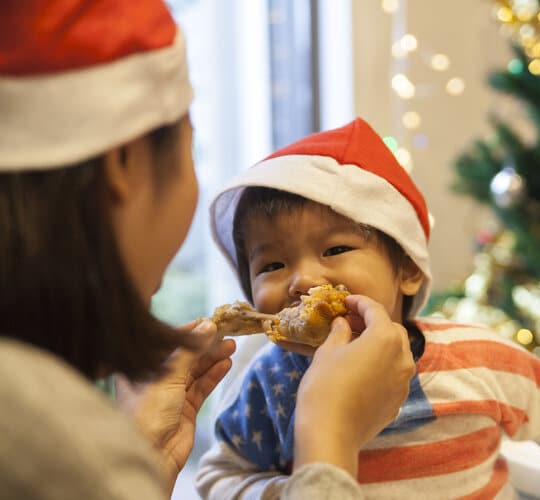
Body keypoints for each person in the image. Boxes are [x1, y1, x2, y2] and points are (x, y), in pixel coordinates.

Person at [0, 2, 415, 499]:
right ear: (123, 161)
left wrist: (144, 461)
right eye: (189, 146)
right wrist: (329, 437)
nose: (302, 280)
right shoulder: (46, 446)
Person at [196, 117, 540, 499]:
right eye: (271, 266)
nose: (303, 279)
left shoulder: (476, 357)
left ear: (408, 271)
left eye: (335, 250)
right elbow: (219, 477)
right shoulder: (271, 386)